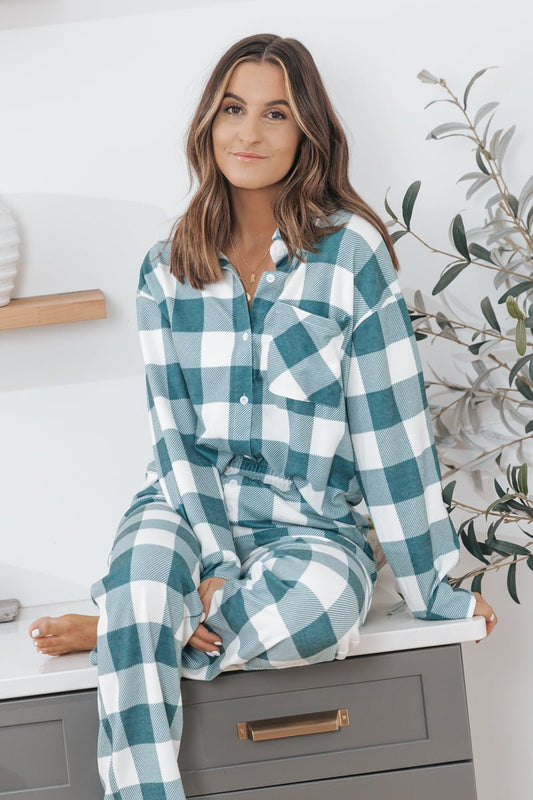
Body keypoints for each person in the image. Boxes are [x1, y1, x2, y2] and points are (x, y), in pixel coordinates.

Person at [28, 32, 497, 800]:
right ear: (208, 123)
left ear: (306, 130)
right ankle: (141, 629)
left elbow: (392, 434)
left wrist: (435, 587)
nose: (248, 132)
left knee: (321, 606)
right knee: (148, 580)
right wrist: (211, 566)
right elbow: (171, 431)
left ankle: (133, 634)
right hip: (184, 503)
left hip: (308, 521)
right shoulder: (166, 264)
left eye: (275, 113)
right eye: (232, 109)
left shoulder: (351, 255)